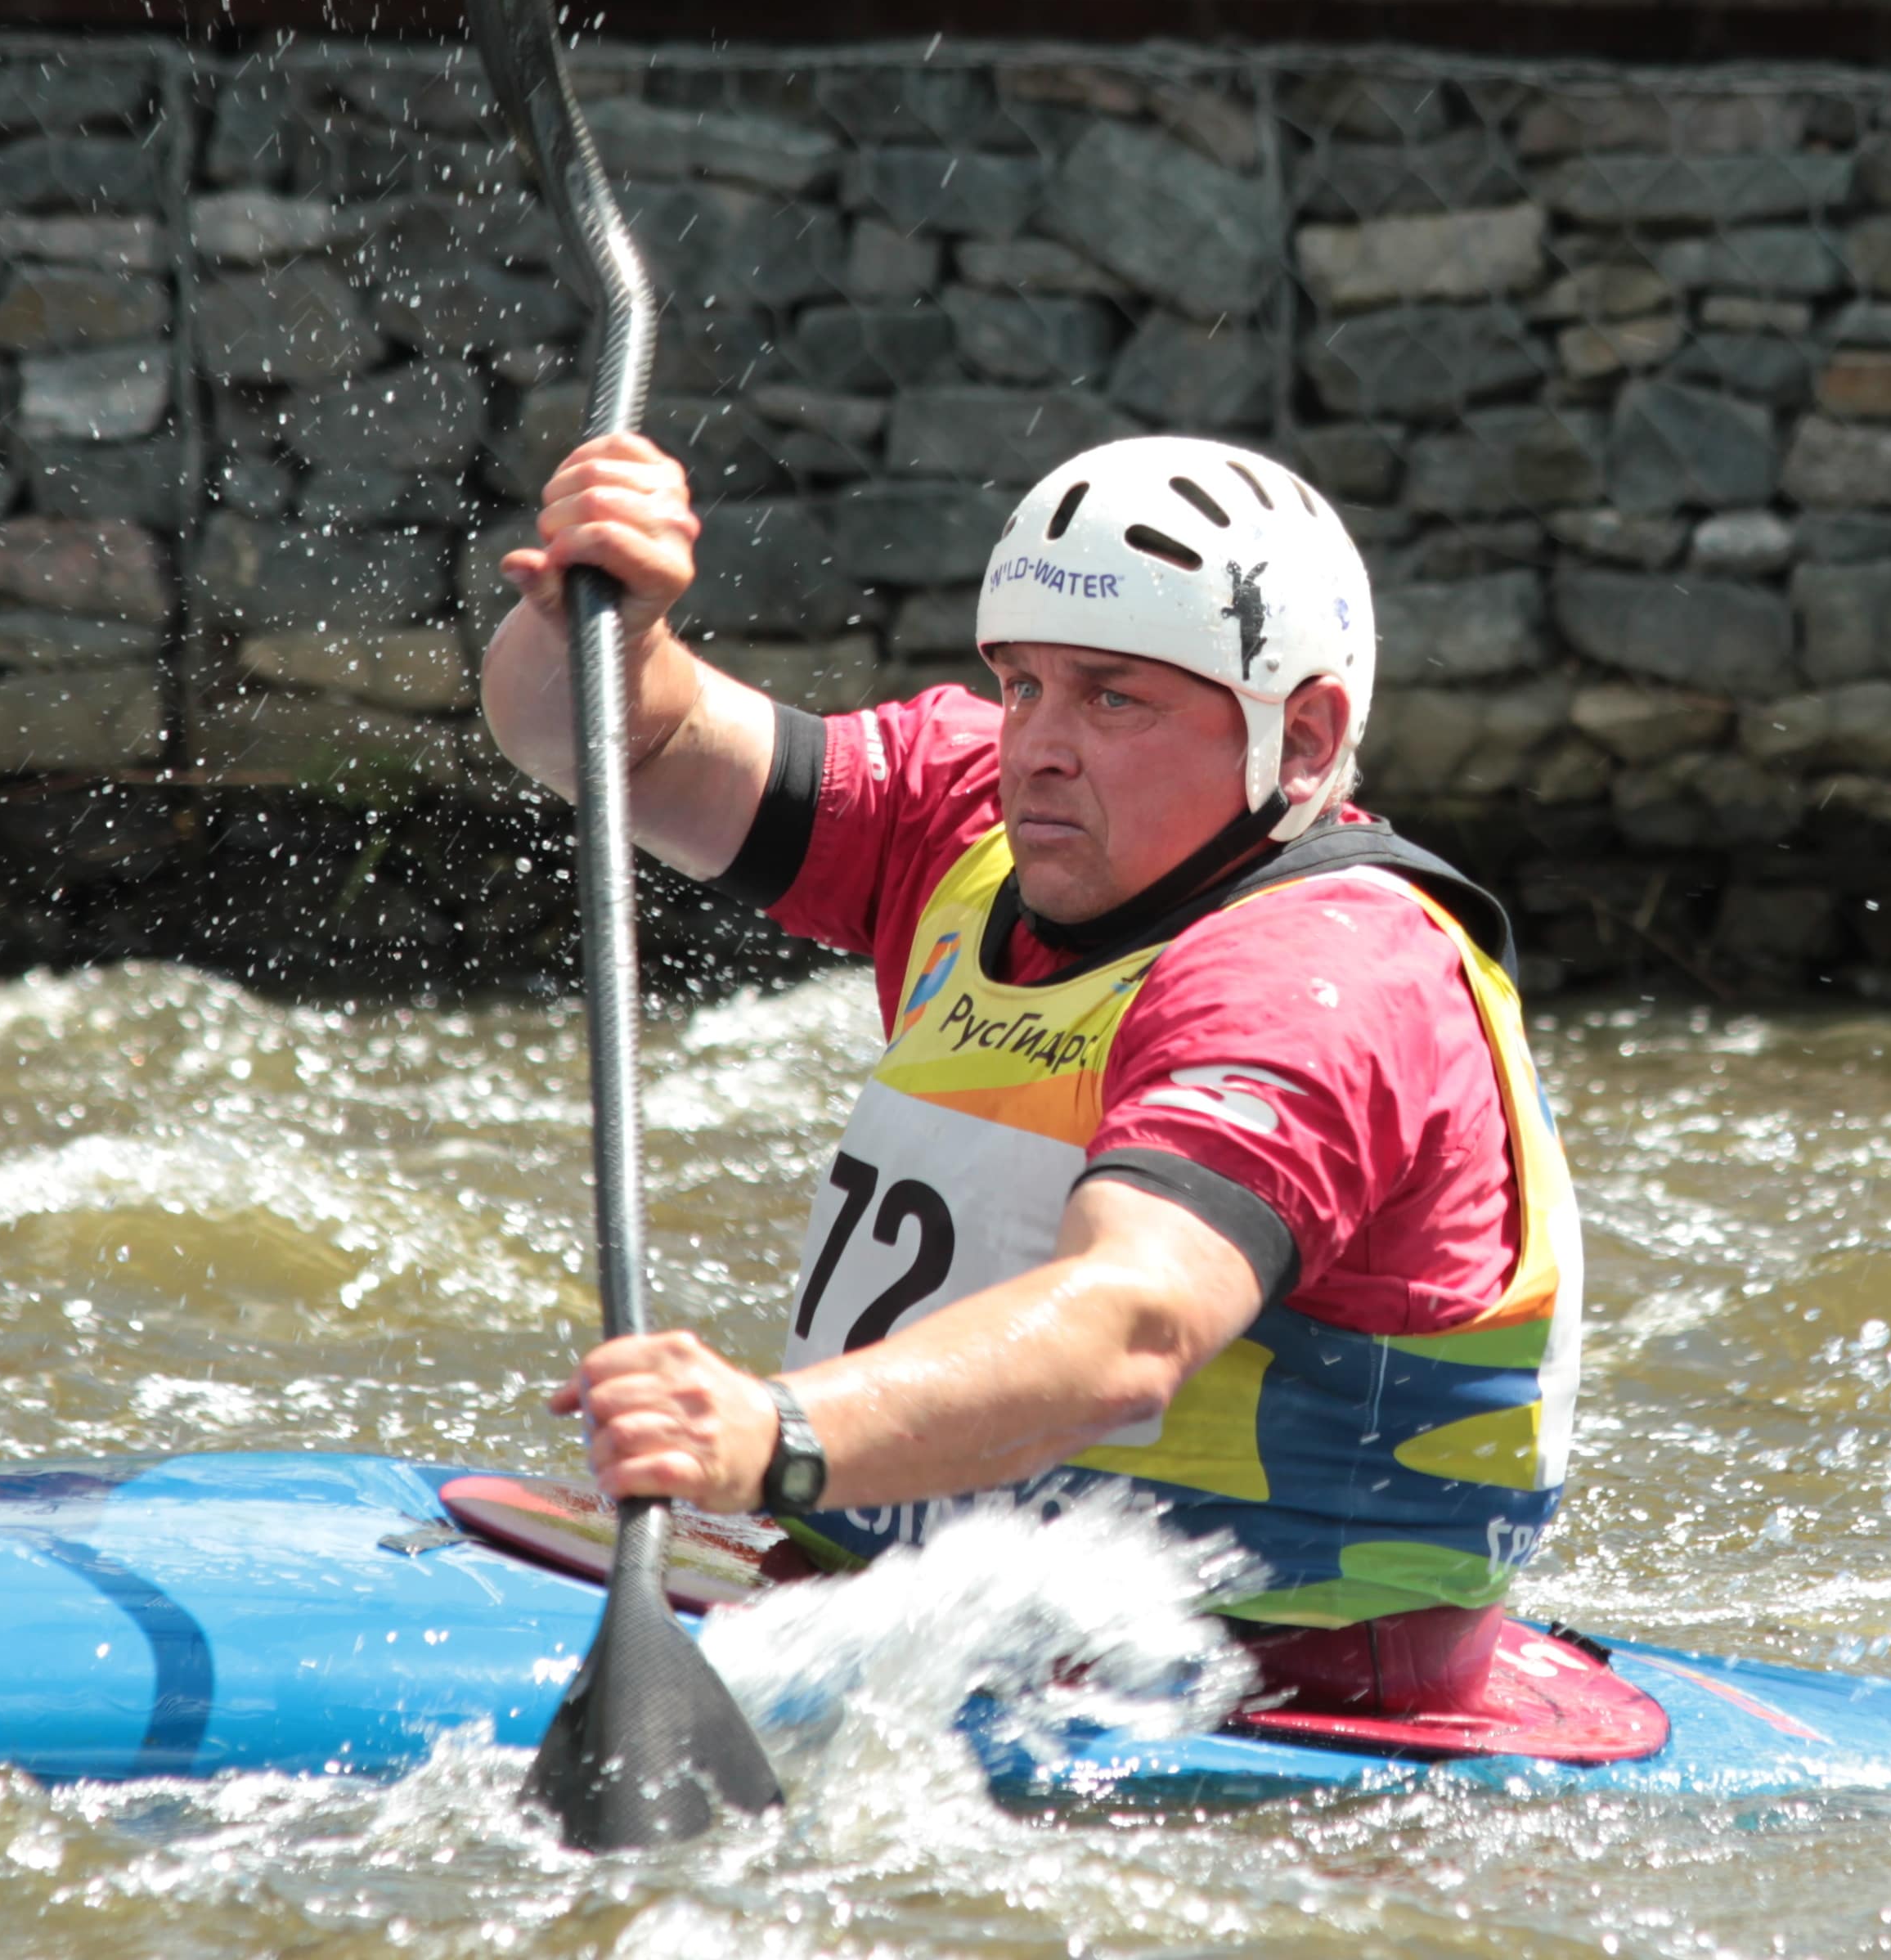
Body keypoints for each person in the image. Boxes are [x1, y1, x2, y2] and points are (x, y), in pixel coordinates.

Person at [480, 430, 1582, 1716]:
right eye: (1022, 685)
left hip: (1261, 1690)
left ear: (1302, 736)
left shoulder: (1325, 976)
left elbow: (1133, 1325)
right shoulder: (972, 822)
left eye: (1114, 699)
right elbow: (603, 740)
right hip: (894, 1601)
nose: (1037, 749)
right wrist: (603, 619)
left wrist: (771, 1434)